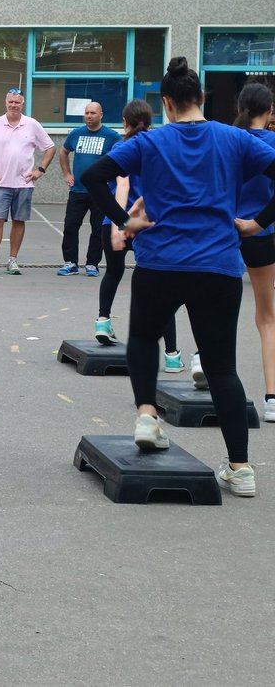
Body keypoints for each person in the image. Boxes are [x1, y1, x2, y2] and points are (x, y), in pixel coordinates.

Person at [82, 58, 275, 498]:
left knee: (144, 339)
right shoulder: (235, 139)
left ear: (165, 103)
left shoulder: (148, 143)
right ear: (202, 98)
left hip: (161, 264)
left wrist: (123, 222)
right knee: (223, 368)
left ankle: (147, 414)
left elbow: (95, 176)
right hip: (218, 267)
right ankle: (241, 469)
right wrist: (258, 223)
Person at [93, 100, 183, 374]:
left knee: (113, 272)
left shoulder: (121, 148)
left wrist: (118, 225)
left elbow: (122, 183)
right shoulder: (158, 146)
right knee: (161, 290)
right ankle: (171, 355)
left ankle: (103, 321)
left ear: (124, 121)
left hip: (119, 220)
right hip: (148, 223)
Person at [0, 89, 57, 276]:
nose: (13, 105)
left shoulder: (32, 125)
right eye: (11, 101)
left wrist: (40, 170)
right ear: (6, 102)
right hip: (1, 184)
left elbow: (50, 148)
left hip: (24, 184)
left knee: (19, 221)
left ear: (22, 104)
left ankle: (12, 260)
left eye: (17, 102)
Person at [233, 81, 275, 423]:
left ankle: (203, 358)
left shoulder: (230, 140)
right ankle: (272, 398)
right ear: (270, 111)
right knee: (266, 318)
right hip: (262, 233)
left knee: (215, 304)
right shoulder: (272, 143)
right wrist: (259, 224)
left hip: (226, 229)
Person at [57, 101, 120, 277]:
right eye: (86, 113)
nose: (89, 116)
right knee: (70, 226)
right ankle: (70, 263)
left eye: (93, 113)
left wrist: (113, 181)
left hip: (100, 192)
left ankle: (92, 264)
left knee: (98, 229)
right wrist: (66, 173)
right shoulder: (76, 134)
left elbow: (122, 156)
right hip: (78, 190)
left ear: (101, 115)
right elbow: (63, 152)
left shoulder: (112, 136)